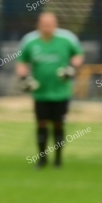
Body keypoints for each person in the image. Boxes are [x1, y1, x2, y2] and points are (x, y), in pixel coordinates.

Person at [16, 12, 84, 168]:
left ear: (55, 25)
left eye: (50, 24)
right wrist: (23, 78)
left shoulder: (67, 38)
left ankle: (58, 160)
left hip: (61, 92)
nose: (47, 28)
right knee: (41, 124)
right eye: (44, 25)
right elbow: (21, 62)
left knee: (58, 124)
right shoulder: (29, 41)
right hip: (40, 93)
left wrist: (71, 68)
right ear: (38, 25)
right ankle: (42, 159)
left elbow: (78, 55)